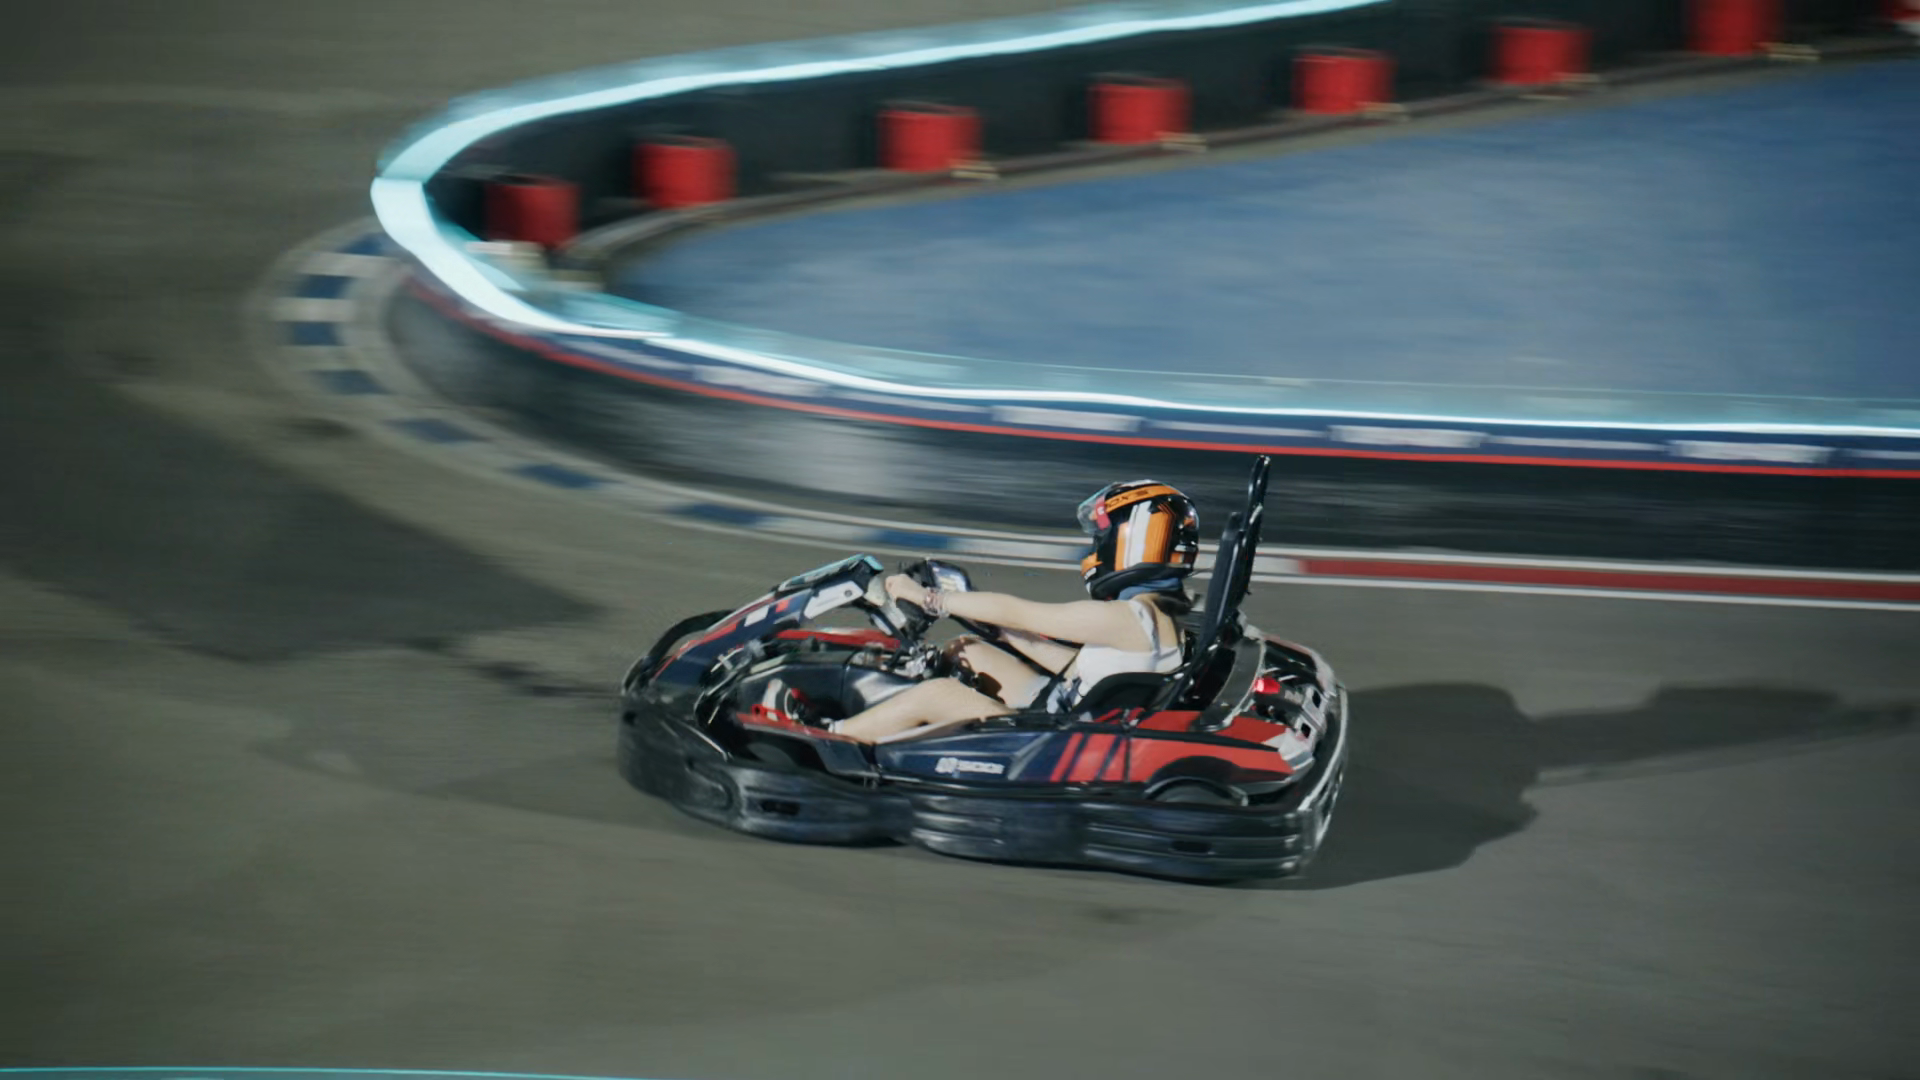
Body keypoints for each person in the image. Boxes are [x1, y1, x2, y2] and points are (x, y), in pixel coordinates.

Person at [830, 480, 1201, 743]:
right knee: (965, 647)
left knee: (937, 693)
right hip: (1071, 709)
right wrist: (1006, 634)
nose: (1096, 548)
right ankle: (902, 722)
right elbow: (1083, 669)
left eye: (1101, 538)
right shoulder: (1156, 615)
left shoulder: (1125, 618)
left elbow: (1018, 610)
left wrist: (930, 598)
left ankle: (834, 737)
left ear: (1134, 539)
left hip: (1054, 737)